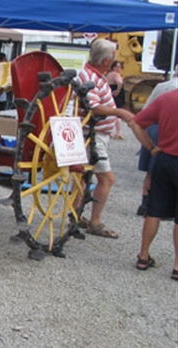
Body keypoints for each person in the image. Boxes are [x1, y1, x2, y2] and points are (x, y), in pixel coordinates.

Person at [74, 39, 134, 239]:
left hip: (96, 134)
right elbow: (93, 106)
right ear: (107, 60)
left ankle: (75, 214)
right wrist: (119, 112)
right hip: (93, 135)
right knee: (107, 179)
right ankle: (95, 221)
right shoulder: (90, 77)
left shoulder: (94, 75)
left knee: (83, 177)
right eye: (114, 57)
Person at [127, 89, 178, 280]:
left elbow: (135, 122)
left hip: (164, 159)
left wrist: (150, 147)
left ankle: (143, 255)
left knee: (154, 211)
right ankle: (177, 266)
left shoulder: (166, 98)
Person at [135, 67, 178, 216]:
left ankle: (145, 203)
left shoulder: (162, 86)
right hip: (169, 129)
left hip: (153, 126)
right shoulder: (174, 90)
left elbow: (146, 108)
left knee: (151, 170)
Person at [105, 61, 125, 139]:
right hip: (116, 95)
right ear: (113, 67)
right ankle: (118, 132)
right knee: (117, 114)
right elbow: (120, 82)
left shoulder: (108, 74)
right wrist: (118, 90)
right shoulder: (115, 74)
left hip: (109, 94)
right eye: (116, 66)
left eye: (119, 67)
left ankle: (109, 131)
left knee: (109, 113)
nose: (118, 68)